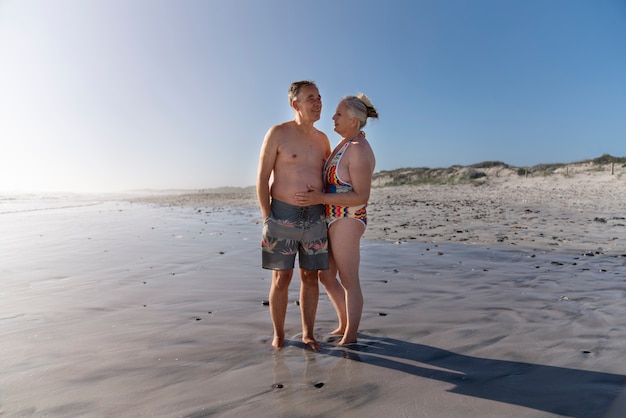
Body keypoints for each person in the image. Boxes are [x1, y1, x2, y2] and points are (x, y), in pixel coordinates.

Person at [294, 93, 378, 345]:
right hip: (332, 217)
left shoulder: (360, 151)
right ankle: (344, 322)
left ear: (353, 120)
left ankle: (351, 336)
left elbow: (361, 196)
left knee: (350, 280)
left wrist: (319, 198)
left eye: (339, 114)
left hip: (349, 219)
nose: (333, 116)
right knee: (326, 276)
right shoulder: (344, 143)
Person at [257, 81, 331, 351]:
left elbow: (329, 180)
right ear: (294, 104)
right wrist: (268, 218)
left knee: (311, 277)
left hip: (314, 218)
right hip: (282, 215)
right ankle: (279, 334)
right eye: (311, 98)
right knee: (281, 278)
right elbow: (263, 178)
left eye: (320, 97)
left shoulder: (323, 140)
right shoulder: (278, 133)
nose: (318, 102)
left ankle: (308, 334)